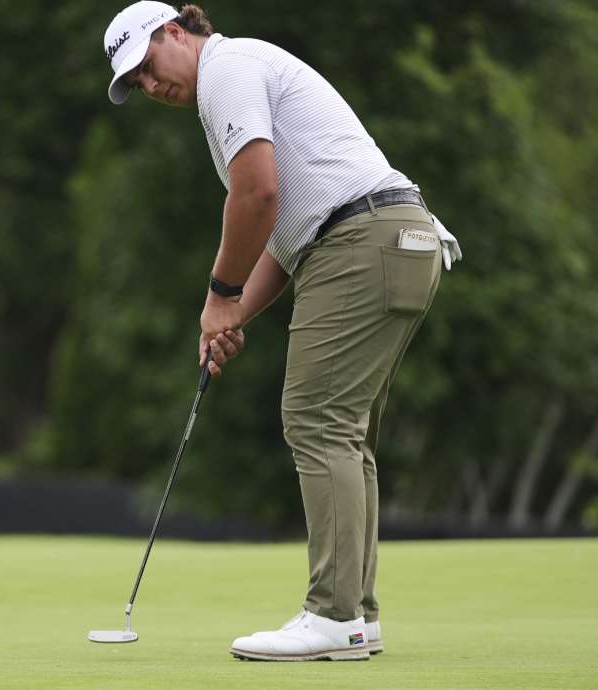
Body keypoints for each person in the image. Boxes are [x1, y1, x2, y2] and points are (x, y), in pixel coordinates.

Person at [102, 1, 462, 661]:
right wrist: (233, 314)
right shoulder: (241, 75)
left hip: (362, 239)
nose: (151, 87)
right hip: (399, 238)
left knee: (317, 421)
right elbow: (284, 234)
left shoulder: (227, 68)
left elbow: (257, 196)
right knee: (346, 434)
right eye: (138, 84)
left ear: (176, 33)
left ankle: (333, 617)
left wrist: (217, 295)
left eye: (149, 66)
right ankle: (358, 614)